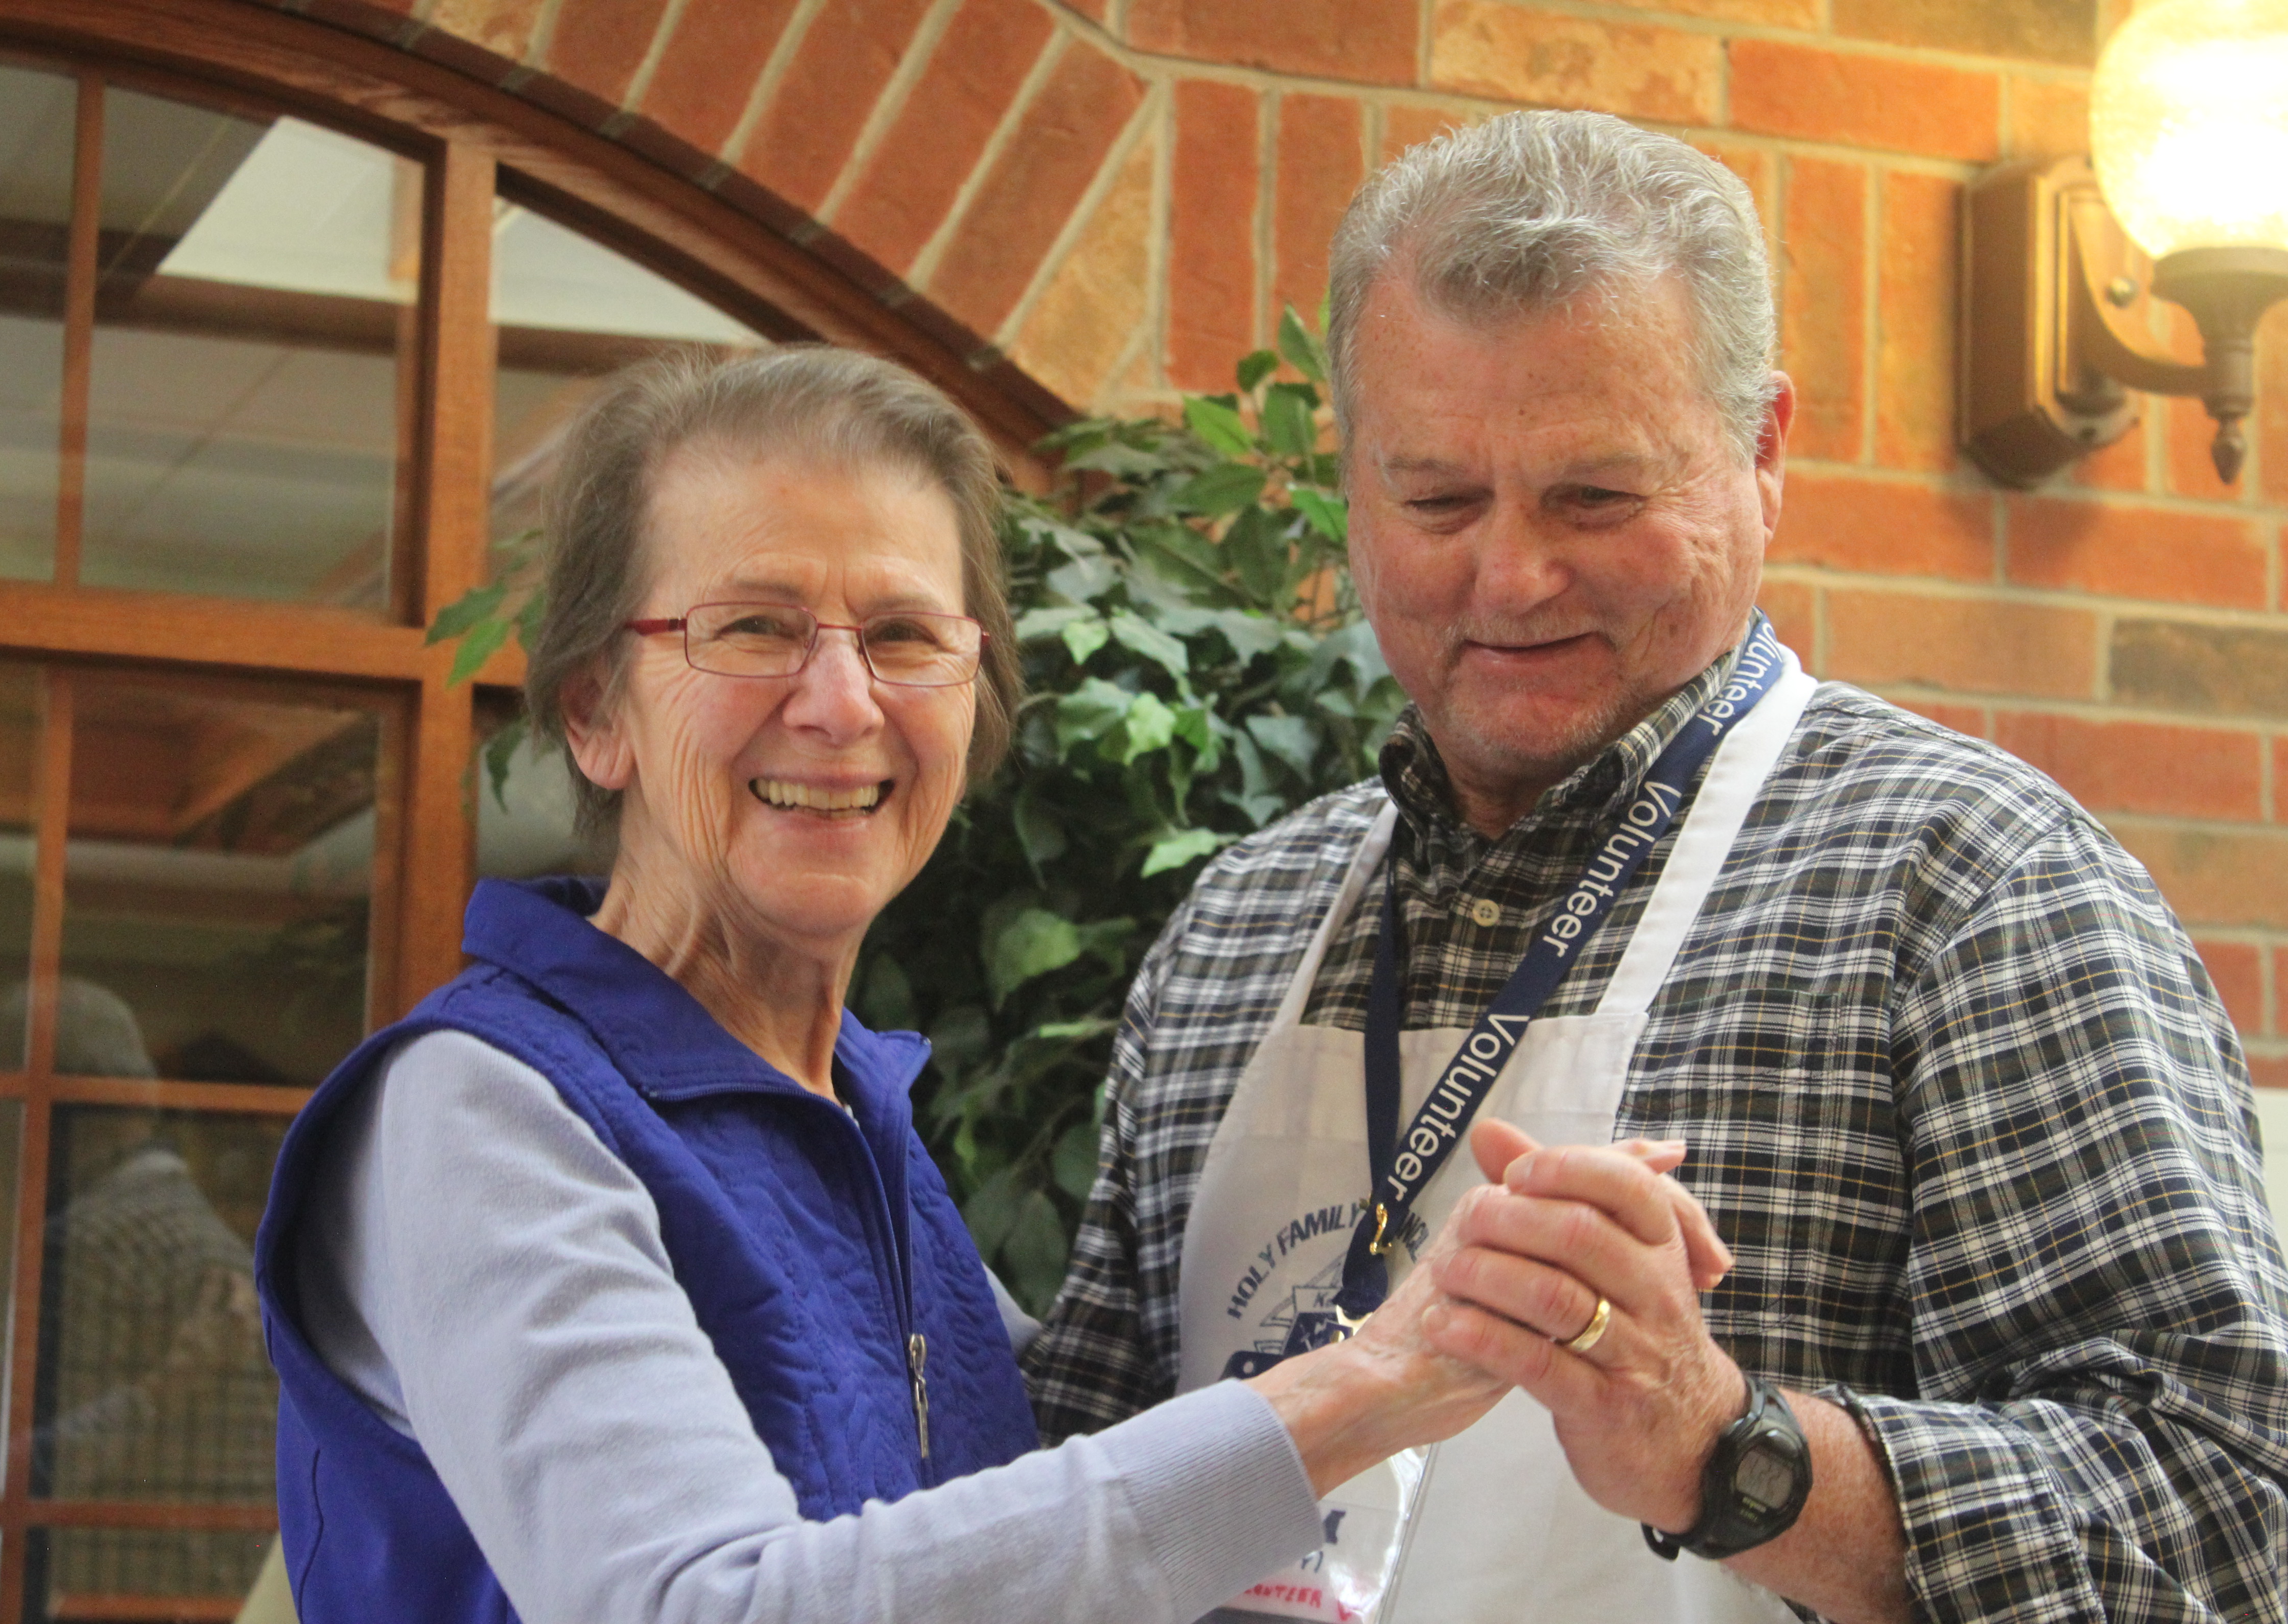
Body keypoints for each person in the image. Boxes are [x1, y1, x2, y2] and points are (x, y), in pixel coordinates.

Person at [1025, 110, 2288, 1624]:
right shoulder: (1244, 920)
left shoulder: (1968, 887)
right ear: (1355, 483)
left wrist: (1729, 1451)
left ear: (1762, 454)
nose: (1510, 576)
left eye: (1596, 498)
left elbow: (2224, 1518)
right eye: (1437, 499)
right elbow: (1075, 1486)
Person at [252, 347, 1675, 1624]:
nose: (839, 701)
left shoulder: (851, 1114)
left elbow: (1017, 1553)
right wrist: (1371, 1379)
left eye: (904, 637)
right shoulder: (480, 1113)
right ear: (593, 714)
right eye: (749, 627)